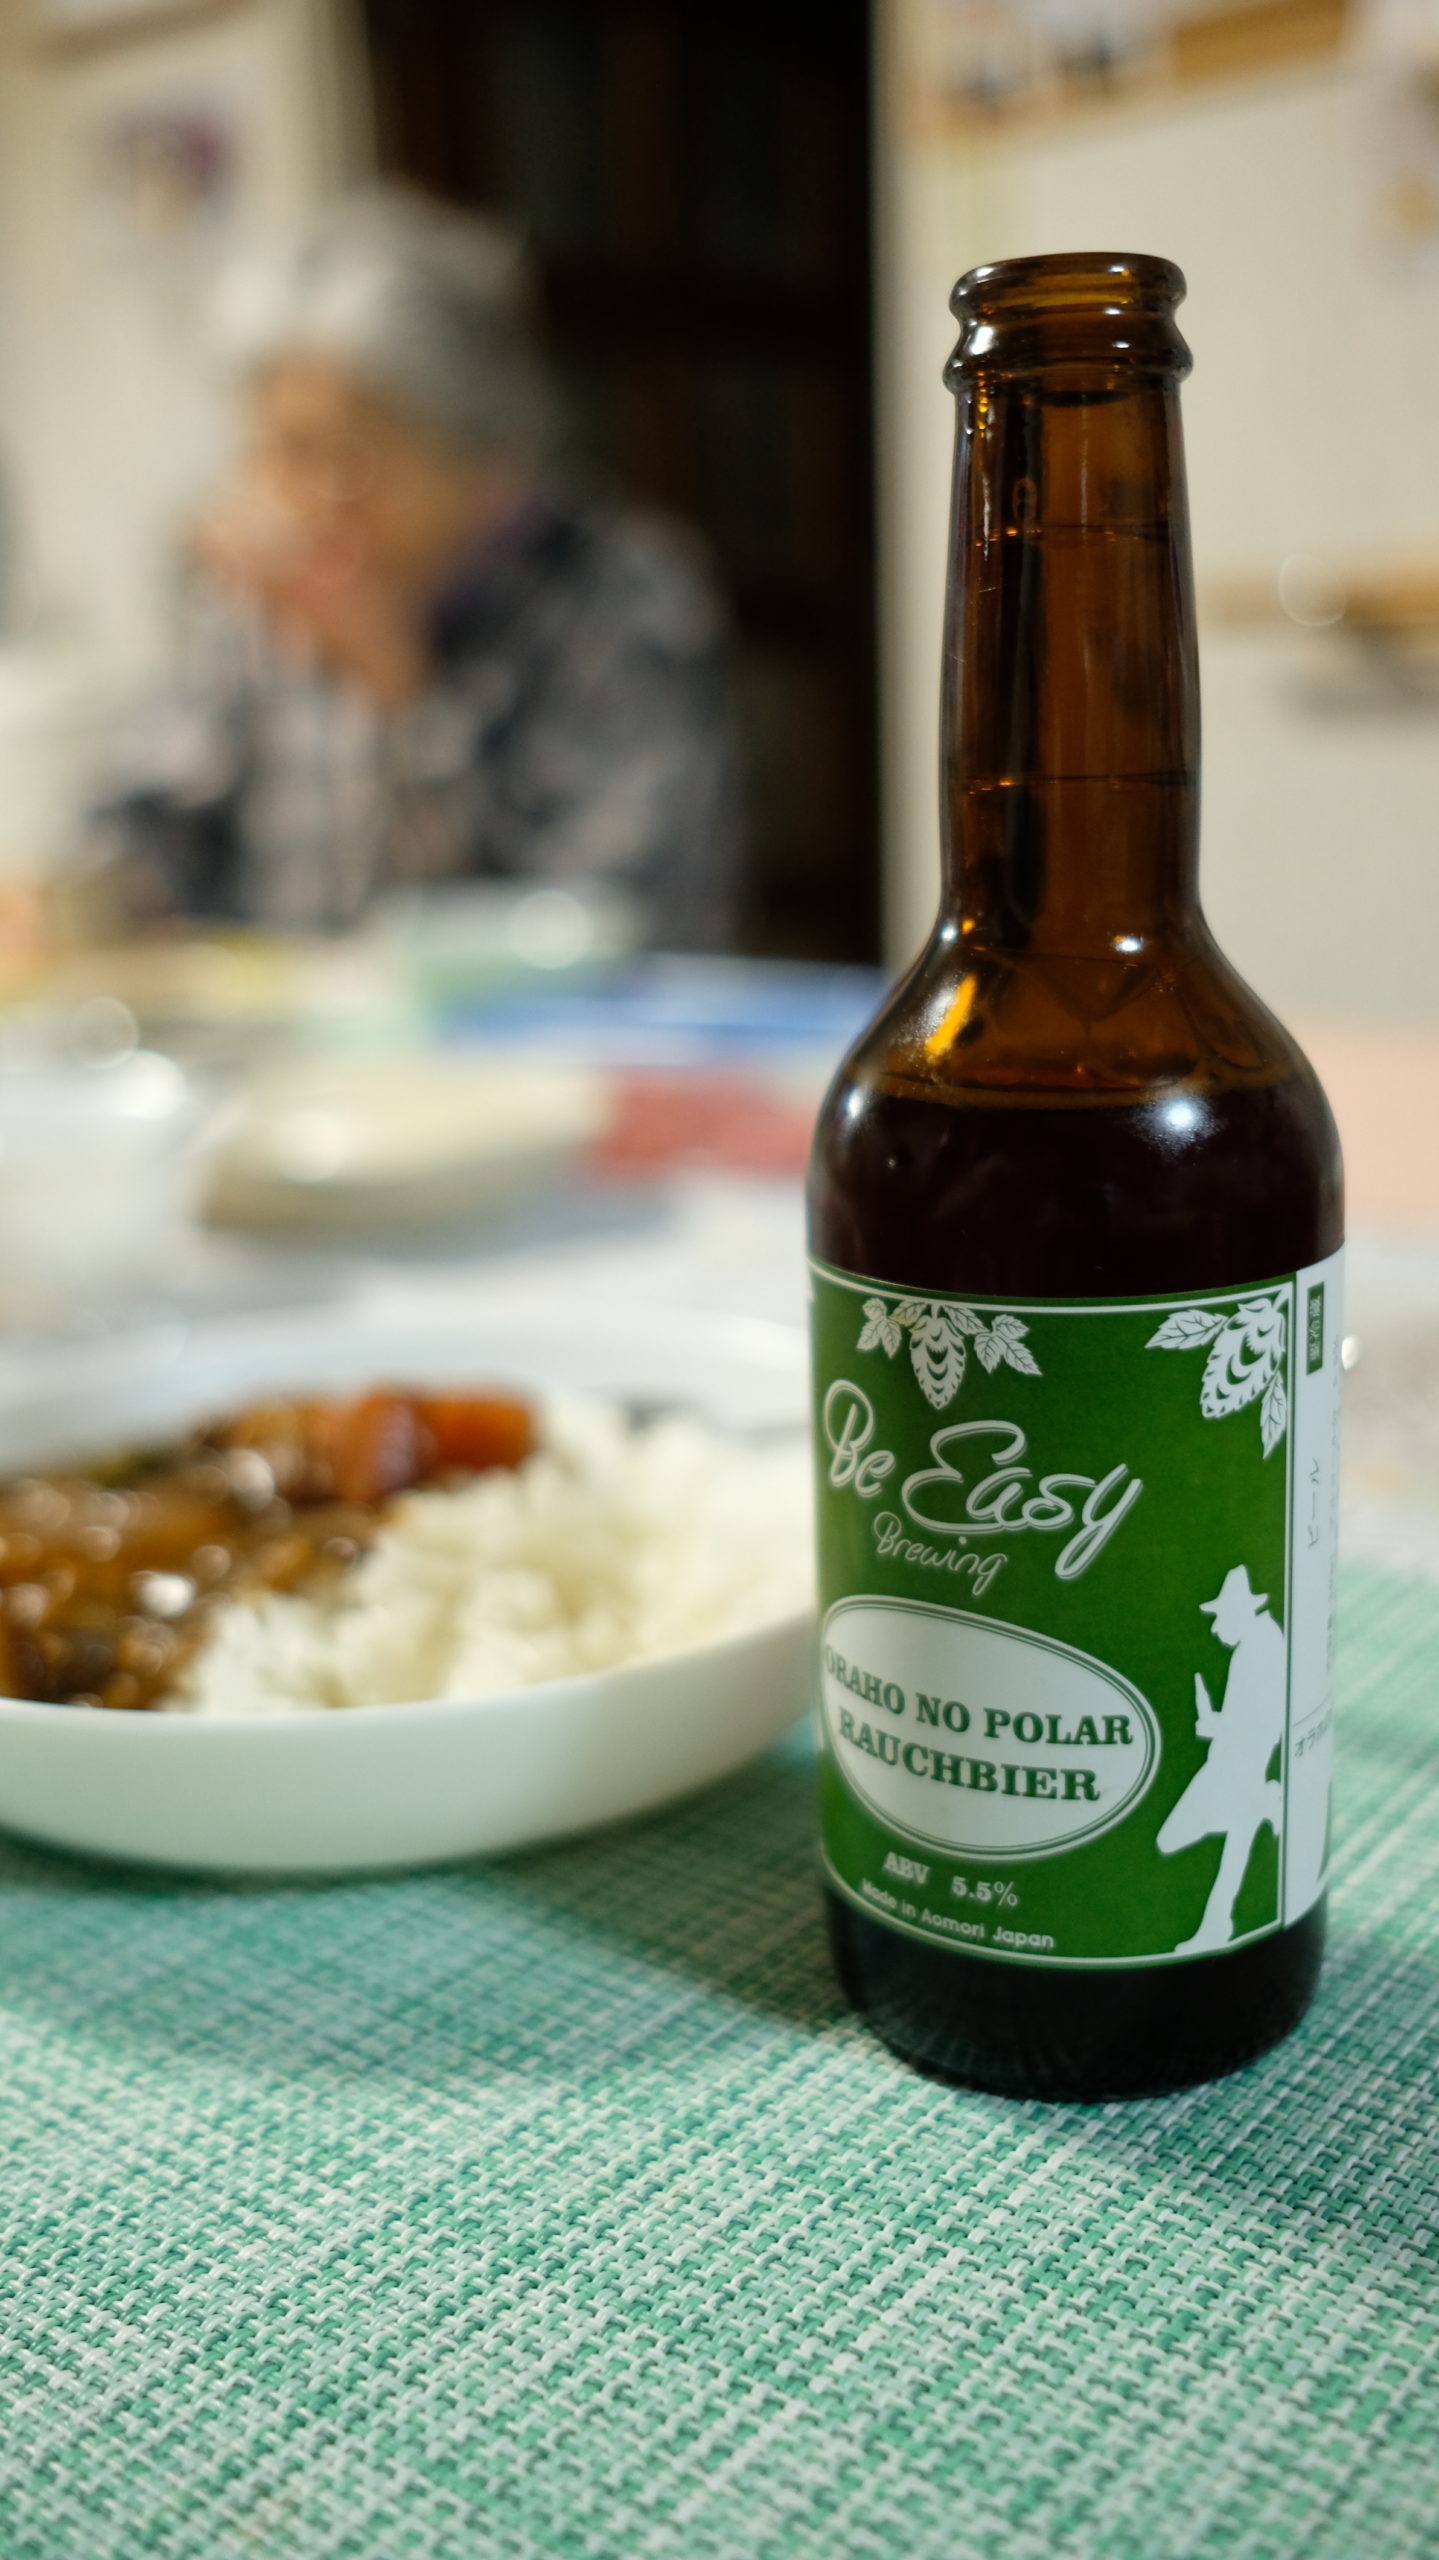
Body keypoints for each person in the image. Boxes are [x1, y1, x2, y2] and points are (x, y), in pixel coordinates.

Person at [97, 192, 742, 947]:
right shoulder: (267, 600)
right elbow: (153, 824)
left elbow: (615, 928)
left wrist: (401, 695)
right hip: (292, 1023)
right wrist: (83, 891)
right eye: (274, 454)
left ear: (476, 448)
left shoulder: (623, 599)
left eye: (338, 456)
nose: (297, 501)